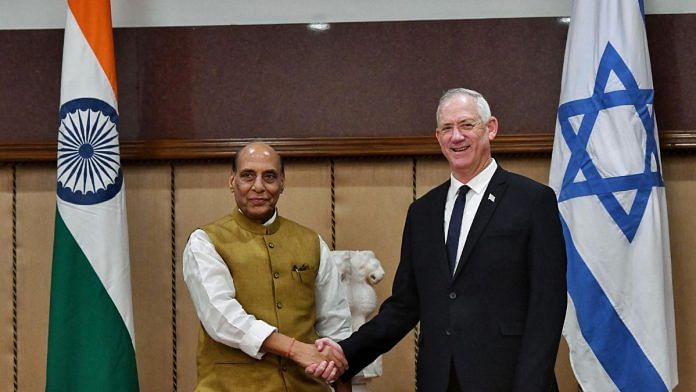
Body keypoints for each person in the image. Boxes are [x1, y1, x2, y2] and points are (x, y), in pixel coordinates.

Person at [310, 88, 567, 391]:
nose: (456, 137)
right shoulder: (423, 212)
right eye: (447, 128)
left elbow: (547, 306)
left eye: (467, 125)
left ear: (491, 128)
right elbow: (404, 306)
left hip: (510, 381)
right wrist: (347, 351)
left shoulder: (533, 201)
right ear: (438, 137)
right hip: (440, 380)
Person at [183, 142, 352, 391]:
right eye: (247, 175)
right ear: (232, 181)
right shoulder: (205, 241)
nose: (259, 186)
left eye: (269, 176)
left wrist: (339, 376)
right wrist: (295, 349)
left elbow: (335, 325)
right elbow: (221, 318)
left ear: (282, 183)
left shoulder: (311, 242)